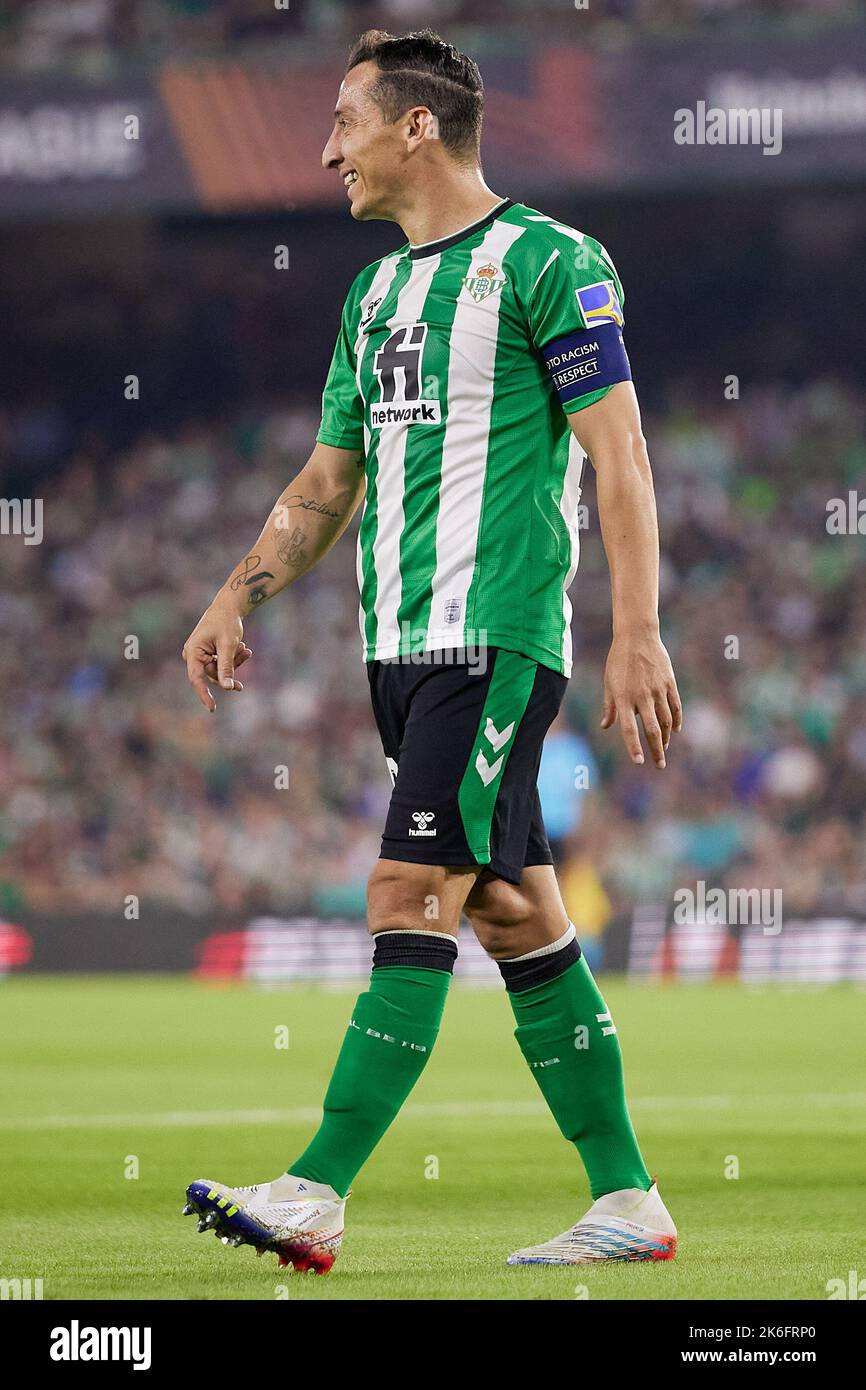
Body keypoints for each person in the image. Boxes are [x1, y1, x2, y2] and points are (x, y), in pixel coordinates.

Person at [181, 28, 682, 1272]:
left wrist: (640, 633)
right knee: (513, 913)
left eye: (344, 119)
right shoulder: (372, 295)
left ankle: (316, 1188)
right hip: (396, 656)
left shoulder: (550, 261)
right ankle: (626, 1196)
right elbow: (328, 475)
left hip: (493, 640)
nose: (324, 147)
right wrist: (235, 591)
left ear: (417, 126)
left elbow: (618, 454)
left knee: (406, 895)